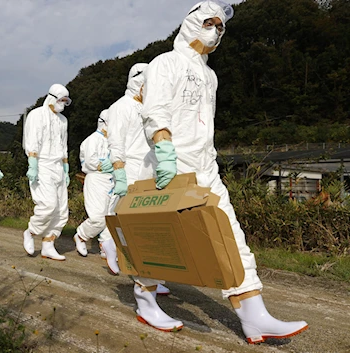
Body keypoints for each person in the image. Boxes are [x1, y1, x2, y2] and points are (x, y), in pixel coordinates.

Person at [104, 1, 308, 343]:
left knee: (228, 234)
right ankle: (145, 298)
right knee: (158, 240)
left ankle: (254, 315)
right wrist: (164, 146)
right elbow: (154, 109)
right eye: (209, 22)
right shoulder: (164, 63)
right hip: (166, 164)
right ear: (191, 23)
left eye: (221, 27)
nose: (216, 30)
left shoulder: (210, 74)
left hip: (204, 166)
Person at [103, 62, 171, 296]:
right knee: (127, 222)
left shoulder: (149, 109)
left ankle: (149, 277)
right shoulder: (120, 107)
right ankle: (111, 243)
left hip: (149, 170)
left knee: (148, 228)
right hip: (130, 169)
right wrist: (119, 171)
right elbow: (116, 142)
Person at [22, 84, 71, 261]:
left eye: (66, 101)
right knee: (48, 205)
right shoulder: (36, 115)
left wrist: (66, 168)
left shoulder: (63, 121)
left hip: (58, 165)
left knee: (61, 210)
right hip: (42, 165)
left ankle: (48, 245)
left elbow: (63, 144)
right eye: (61, 100)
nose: (63, 104)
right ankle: (31, 232)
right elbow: (32, 140)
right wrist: (32, 164)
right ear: (51, 97)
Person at [73, 110, 118, 257]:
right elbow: (89, 162)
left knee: (110, 215)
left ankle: (105, 245)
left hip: (111, 179)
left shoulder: (112, 141)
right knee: (98, 217)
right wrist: (103, 165)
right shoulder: (92, 140)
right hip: (96, 179)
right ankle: (81, 235)